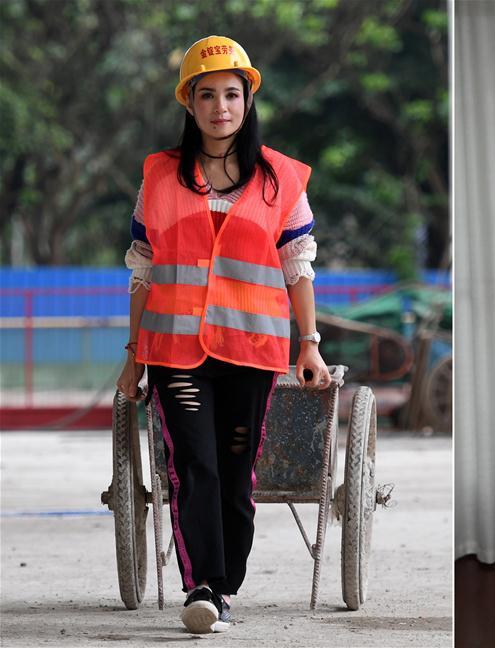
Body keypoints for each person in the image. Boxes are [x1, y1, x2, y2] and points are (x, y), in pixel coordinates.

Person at [115, 35, 331, 634]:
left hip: (251, 350)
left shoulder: (280, 179)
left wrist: (308, 344)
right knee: (195, 464)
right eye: (206, 95)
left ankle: (225, 586)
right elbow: (142, 265)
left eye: (231, 94)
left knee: (237, 476)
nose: (220, 107)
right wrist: (133, 356)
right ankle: (203, 585)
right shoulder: (158, 177)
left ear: (247, 99)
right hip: (176, 350)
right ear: (189, 103)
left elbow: (298, 267)